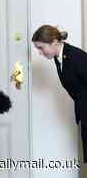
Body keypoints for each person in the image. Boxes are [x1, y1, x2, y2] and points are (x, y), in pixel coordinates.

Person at [32, 24, 87, 163]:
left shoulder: (75, 56)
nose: (40, 52)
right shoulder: (59, 58)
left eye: (41, 48)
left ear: (54, 43)